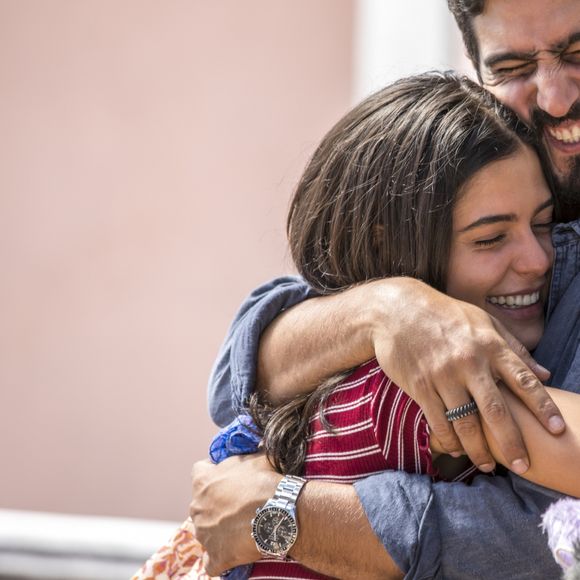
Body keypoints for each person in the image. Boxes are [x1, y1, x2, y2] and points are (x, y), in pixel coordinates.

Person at [192, 0, 580, 578]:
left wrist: (284, 516)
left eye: (577, 53)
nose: (554, 97)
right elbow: (237, 377)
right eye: (514, 67)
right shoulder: (420, 368)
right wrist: (386, 312)